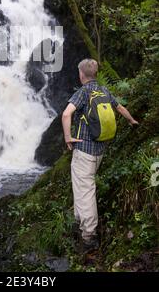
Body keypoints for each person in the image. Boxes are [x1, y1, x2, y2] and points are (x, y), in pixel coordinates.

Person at [62, 58, 139, 251]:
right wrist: (132, 121)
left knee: (85, 191)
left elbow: (66, 114)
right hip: (99, 151)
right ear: (95, 74)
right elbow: (119, 108)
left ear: (81, 75)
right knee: (82, 187)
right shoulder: (103, 90)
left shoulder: (83, 92)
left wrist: (68, 137)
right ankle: (80, 223)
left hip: (84, 152)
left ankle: (89, 236)